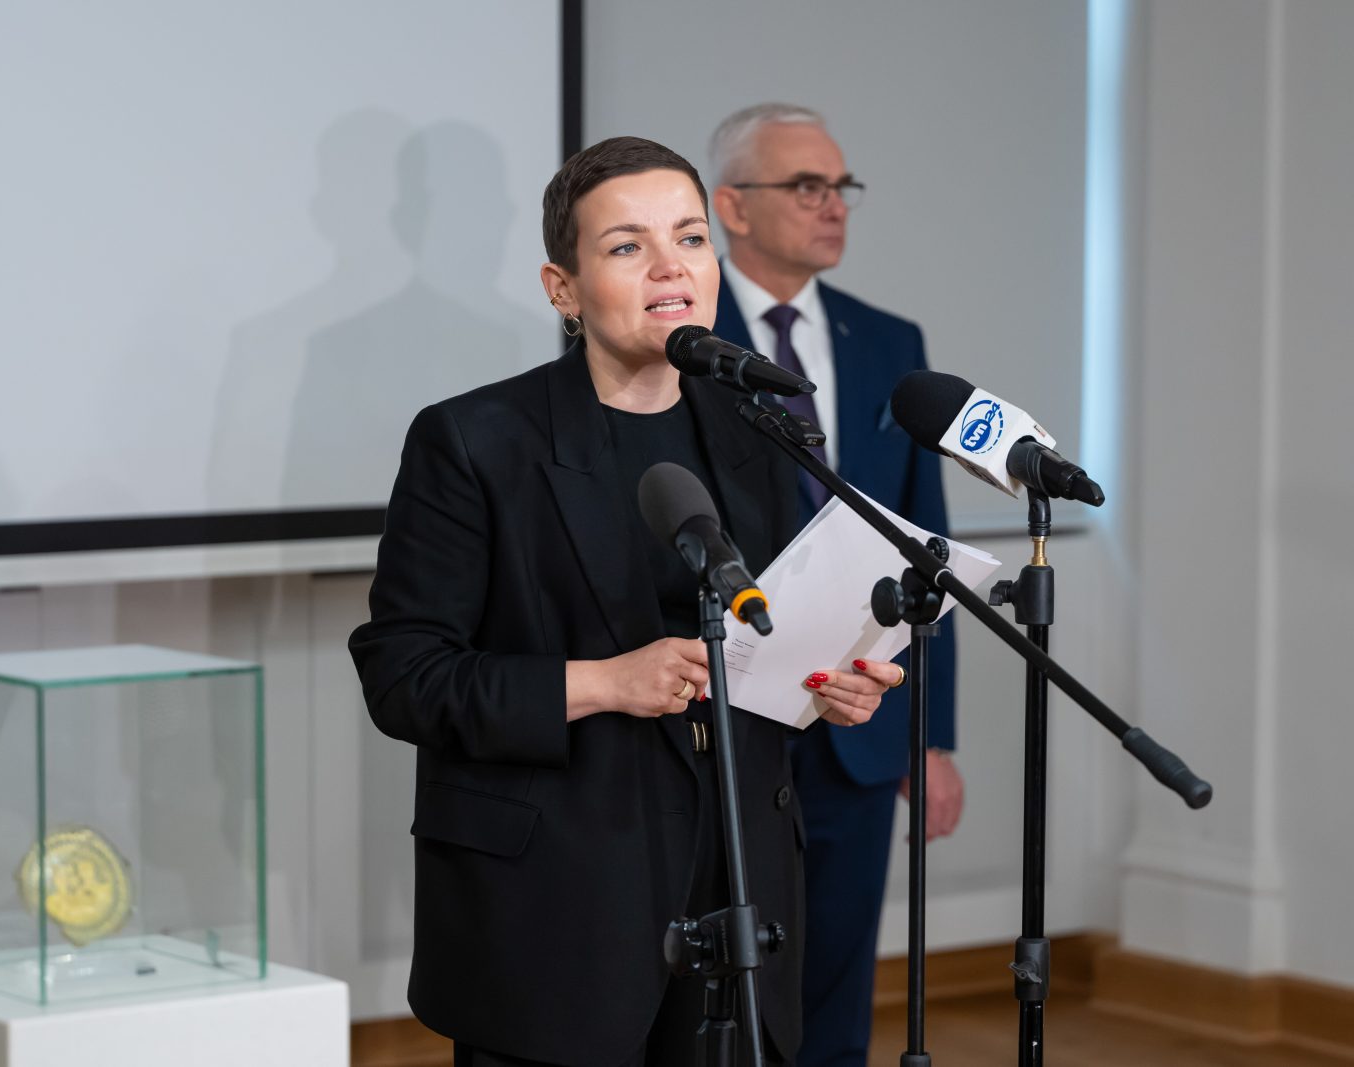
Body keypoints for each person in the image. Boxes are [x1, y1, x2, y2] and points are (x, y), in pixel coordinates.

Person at [349, 136, 901, 1067]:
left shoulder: (757, 427)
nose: (669, 267)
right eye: (625, 246)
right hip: (551, 909)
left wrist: (835, 681)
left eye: (689, 238)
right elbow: (405, 676)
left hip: (737, 890)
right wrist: (604, 682)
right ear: (561, 289)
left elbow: (768, 631)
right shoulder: (474, 440)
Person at [708, 103, 965, 1067]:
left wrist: (928, 737)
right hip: (720, 718)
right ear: (732, 206)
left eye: (840, 186)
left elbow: (923, 548)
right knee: (723, 980)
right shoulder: (679, 331)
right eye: (805, 186)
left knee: (837, 974)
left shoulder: (889, 341)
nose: (832, 206)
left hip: (859, 717)